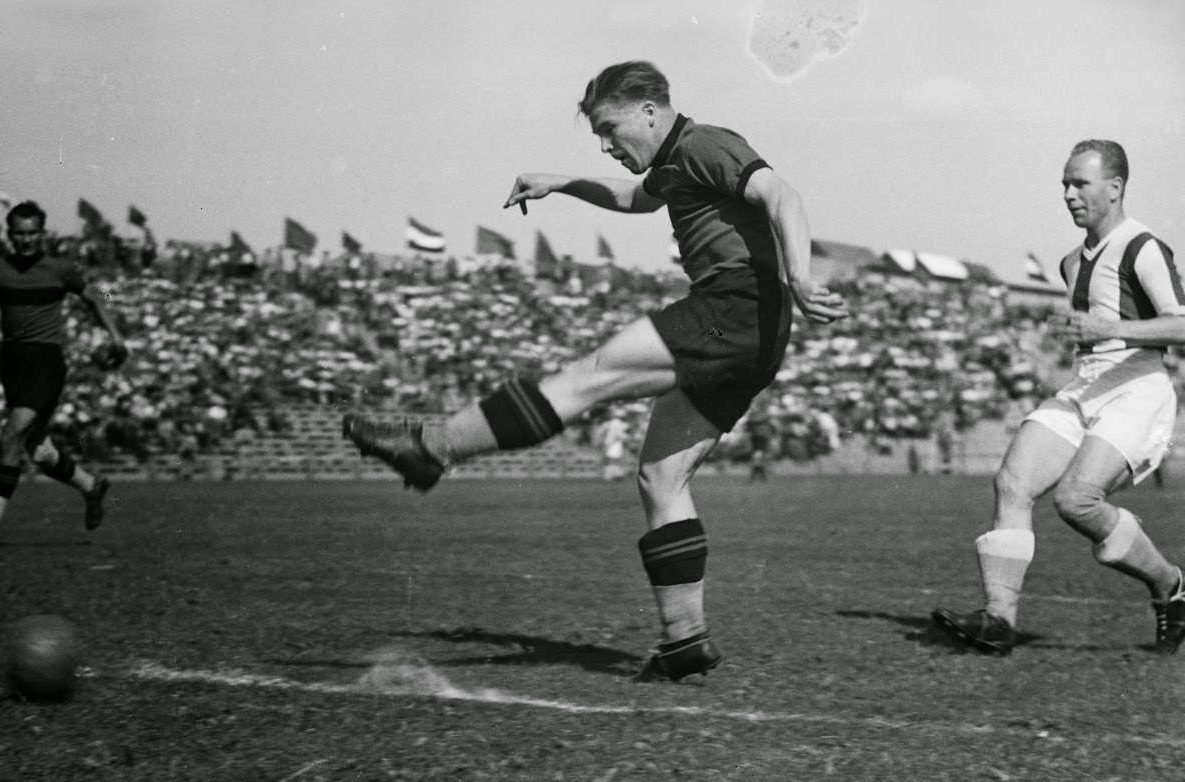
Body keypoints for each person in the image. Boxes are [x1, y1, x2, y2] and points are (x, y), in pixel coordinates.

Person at [344, 60, 846, 681]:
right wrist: (560, 181)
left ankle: (430, 447)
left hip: (735, 308)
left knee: (589, 376)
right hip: (754, 332)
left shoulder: (703, 144)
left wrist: (800, 274)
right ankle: (684, 640)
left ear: (649, 111)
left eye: (611, 130)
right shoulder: (672, 163)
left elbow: (781, 194)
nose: (607, 145)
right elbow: (634, 198)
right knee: (661, 479)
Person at [933, 140, 1185, 655]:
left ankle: (1170, 585)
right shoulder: (1072, 262)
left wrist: (1107, 326)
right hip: (1087, 383)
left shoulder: (1143, 247)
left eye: (1080, 184)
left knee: (1076, 501)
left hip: (1135, 387)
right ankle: (998, 620)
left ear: (1114, 188)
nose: (1069, 194)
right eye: (1065, 185)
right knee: (1012, 482)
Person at [0, 200, 128, 547]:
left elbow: (93, 297)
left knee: (11, 435)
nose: (26, 240)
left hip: (46, 362)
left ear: (43, 233)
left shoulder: (60, 269)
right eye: (20, 233)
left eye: (33, 233)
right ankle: (92, 487)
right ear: (10, 234)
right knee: (37, 449)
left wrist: (116, 336)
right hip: (12, 363)